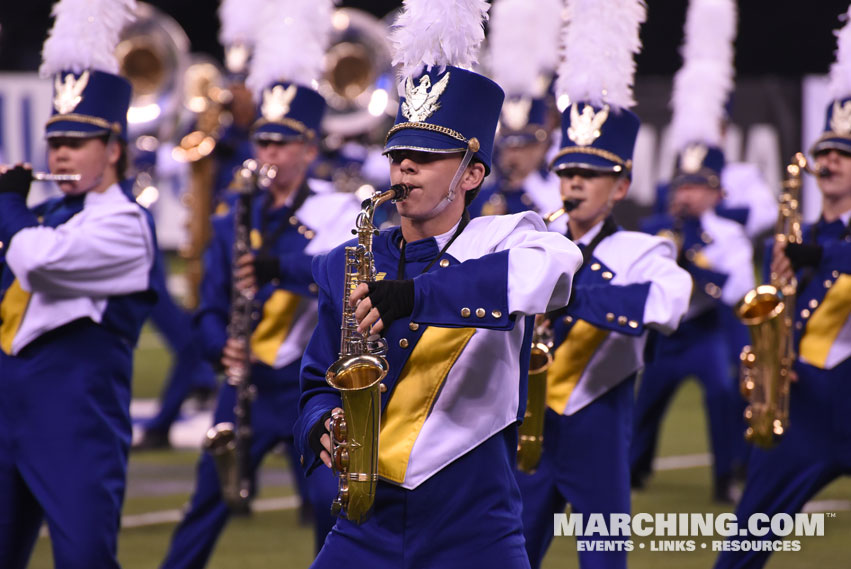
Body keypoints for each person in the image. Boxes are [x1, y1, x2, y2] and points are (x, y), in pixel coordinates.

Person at [295, 2, 582, 567]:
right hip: (363, 523)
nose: (404, 170)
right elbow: (315, 379)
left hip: (476, 526)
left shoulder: (510, 241)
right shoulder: (346, 262)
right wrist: (320, 425)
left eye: (425, 159)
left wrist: (416, 295)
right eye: (399, 156)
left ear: (472, 173)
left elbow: (554, 272)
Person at [158, 2, 351, 565]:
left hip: (310, 384)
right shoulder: (232, 217)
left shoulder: (340, 210)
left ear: (310, 149)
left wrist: (279, 268)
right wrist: (224, 347)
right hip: (244, 384)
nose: (267, 154)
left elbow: (339, 273)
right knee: (205, 503)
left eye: (282, 143)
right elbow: (211, 304)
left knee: (328, 504)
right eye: (262, 141)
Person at [514, 2, 690, 565]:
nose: (575, 184)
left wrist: (576, 299)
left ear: (621, 185)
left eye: (590, 174)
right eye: (568, 171)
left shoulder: (642, 251)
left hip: (598, 425)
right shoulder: (534, 240)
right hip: (526, 426)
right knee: (510, 555)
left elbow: (670, 301)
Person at [0, 1, 158, 566]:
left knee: (84, 559)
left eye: (78, 139)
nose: (61, 152)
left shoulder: (123, 223)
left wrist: (7, 206)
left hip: (73, 421)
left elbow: (40, 264)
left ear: (113, 148)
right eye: (55, 139)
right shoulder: (40, 218)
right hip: (7, 410)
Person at [715, 11, 851, 567]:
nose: (830, 162)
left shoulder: (819, 244)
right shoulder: (803, 232)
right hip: (803, 402)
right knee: (746, 541)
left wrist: (817, 256)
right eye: (825, 154)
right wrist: (772, 357)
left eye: (844, 154)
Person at [631, 143, 755, 502]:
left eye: (696, 187)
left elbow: (738, 290)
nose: (686, 194)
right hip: (665, 334)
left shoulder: (729, 235)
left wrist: (693, 263)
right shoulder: (654, 229)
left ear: (716, 193)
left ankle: (725, 476)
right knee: (645, 402)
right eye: (682, 186)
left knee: (721, 393)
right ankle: (634, 468)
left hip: (705, 331)